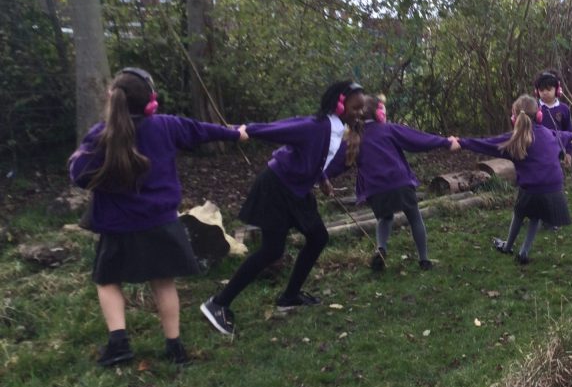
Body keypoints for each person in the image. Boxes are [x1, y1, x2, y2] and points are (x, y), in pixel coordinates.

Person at [68, 67, 246, 366]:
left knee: (108, 280)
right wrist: (235, 133)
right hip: (160, 223)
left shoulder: (102, 135)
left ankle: (119, 343)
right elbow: (202, 130)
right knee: (163, 282)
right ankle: (175, 348)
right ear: (152, 101)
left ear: (114, 99)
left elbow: (79, 174)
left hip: (117, 226)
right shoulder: (166, 126)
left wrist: (95, 171)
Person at [200, 81, 365, 335]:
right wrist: (244, 131)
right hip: (277, 187)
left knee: (318, 237)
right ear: (340, 103)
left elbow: (317, 157)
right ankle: (218, 303)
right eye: (355, 107)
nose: (359, 113)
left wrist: (323, 179)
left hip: (297, 190)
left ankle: (290, 296)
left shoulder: (336, 130)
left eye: (361, 109)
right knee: (271, 250)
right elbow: (279, 129)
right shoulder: (315, 126)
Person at [456, 95, 572, 264]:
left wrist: (461, 142)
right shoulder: (550, 133)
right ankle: (523, 252)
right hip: (554, 188)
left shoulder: (513, 139)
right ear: (539, 116)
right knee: (536, 216)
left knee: (519, 213)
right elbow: (566, 135)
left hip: (531, 189)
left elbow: (485, 143)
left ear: (514, 118)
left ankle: (508, 246)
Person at [357, 95, 453, 271]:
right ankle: (424, 260)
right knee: (414, 216)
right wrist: (445, 142)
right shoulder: (389, 129)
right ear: (379, 113)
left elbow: (339, 160)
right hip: (399, 182)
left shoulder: (355, 138)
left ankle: (381, 248)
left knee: (384, 218)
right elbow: (417, 140)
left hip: (375, 189)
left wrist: (322, 177)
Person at [534, 70, 572, 164]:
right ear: (537, 91)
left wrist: (568, 152)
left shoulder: (564, 109)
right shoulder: (534, 107)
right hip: (538, 153)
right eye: (541, 90)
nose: (544, 92)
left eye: (548, 89)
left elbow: (569, 131)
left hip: (558, 153)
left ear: (557, 90)